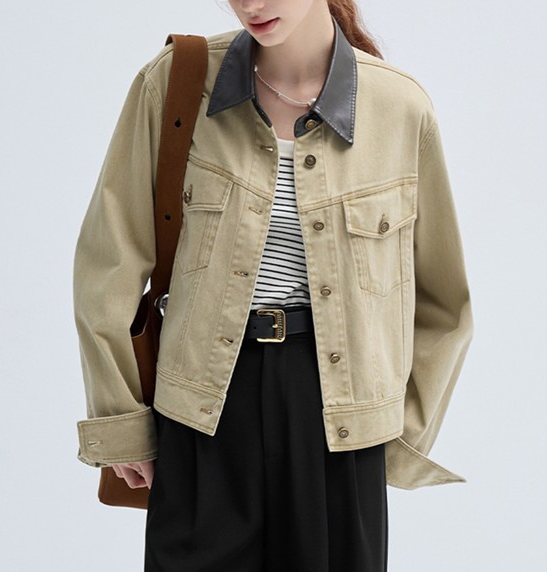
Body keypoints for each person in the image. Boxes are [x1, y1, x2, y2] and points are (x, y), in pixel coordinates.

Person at [73, 0, 474, 570]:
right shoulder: (177, 83)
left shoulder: (399, 108)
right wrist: (121, 420)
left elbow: (444, 300)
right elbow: (108, 262)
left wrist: (396, 428)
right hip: (202, 407)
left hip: (336, 419)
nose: (251, 5)